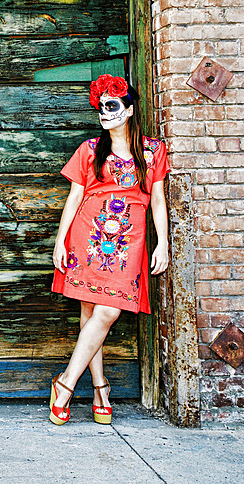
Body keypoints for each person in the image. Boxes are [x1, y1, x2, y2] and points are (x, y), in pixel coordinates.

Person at [48, 74, 169, 425]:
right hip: (88, 236)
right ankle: (100, 387)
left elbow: (158, 199)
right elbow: (74, 199)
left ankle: (66, 384)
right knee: (92, 314)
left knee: (106, 312)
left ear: (129, 110)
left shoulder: (152, 151)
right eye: (101, 107)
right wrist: (60, 241)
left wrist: (162, 242)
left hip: (129, 241)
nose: (105, 112)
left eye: (113, 106)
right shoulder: (89, 150)